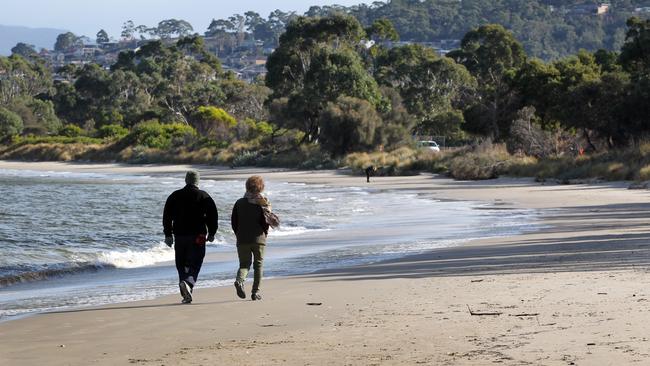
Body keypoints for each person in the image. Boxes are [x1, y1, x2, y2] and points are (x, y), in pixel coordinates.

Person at [163, 170, 218, 304]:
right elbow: (213, 216)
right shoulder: (204, 196)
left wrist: (168, 234)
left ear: (186, 180)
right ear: (197, 181)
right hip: (198, 236)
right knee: (196, 263)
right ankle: (188, 283)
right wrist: (212, 233)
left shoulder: (175, 195)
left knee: (181, 264)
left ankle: (185, 289)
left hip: (180, 236)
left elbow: (167, 216)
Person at [231, 175, 273, 301]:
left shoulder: (239, 202)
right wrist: (264, 234)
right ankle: (255, 292)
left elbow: (234, 222)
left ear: (247, 187)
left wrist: (238, 233)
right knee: (258, 265)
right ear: (261, 187)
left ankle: (239, 280)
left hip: (242, 239)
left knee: (244, 264)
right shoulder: (263, 202)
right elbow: (267, 221)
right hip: (258, 239)